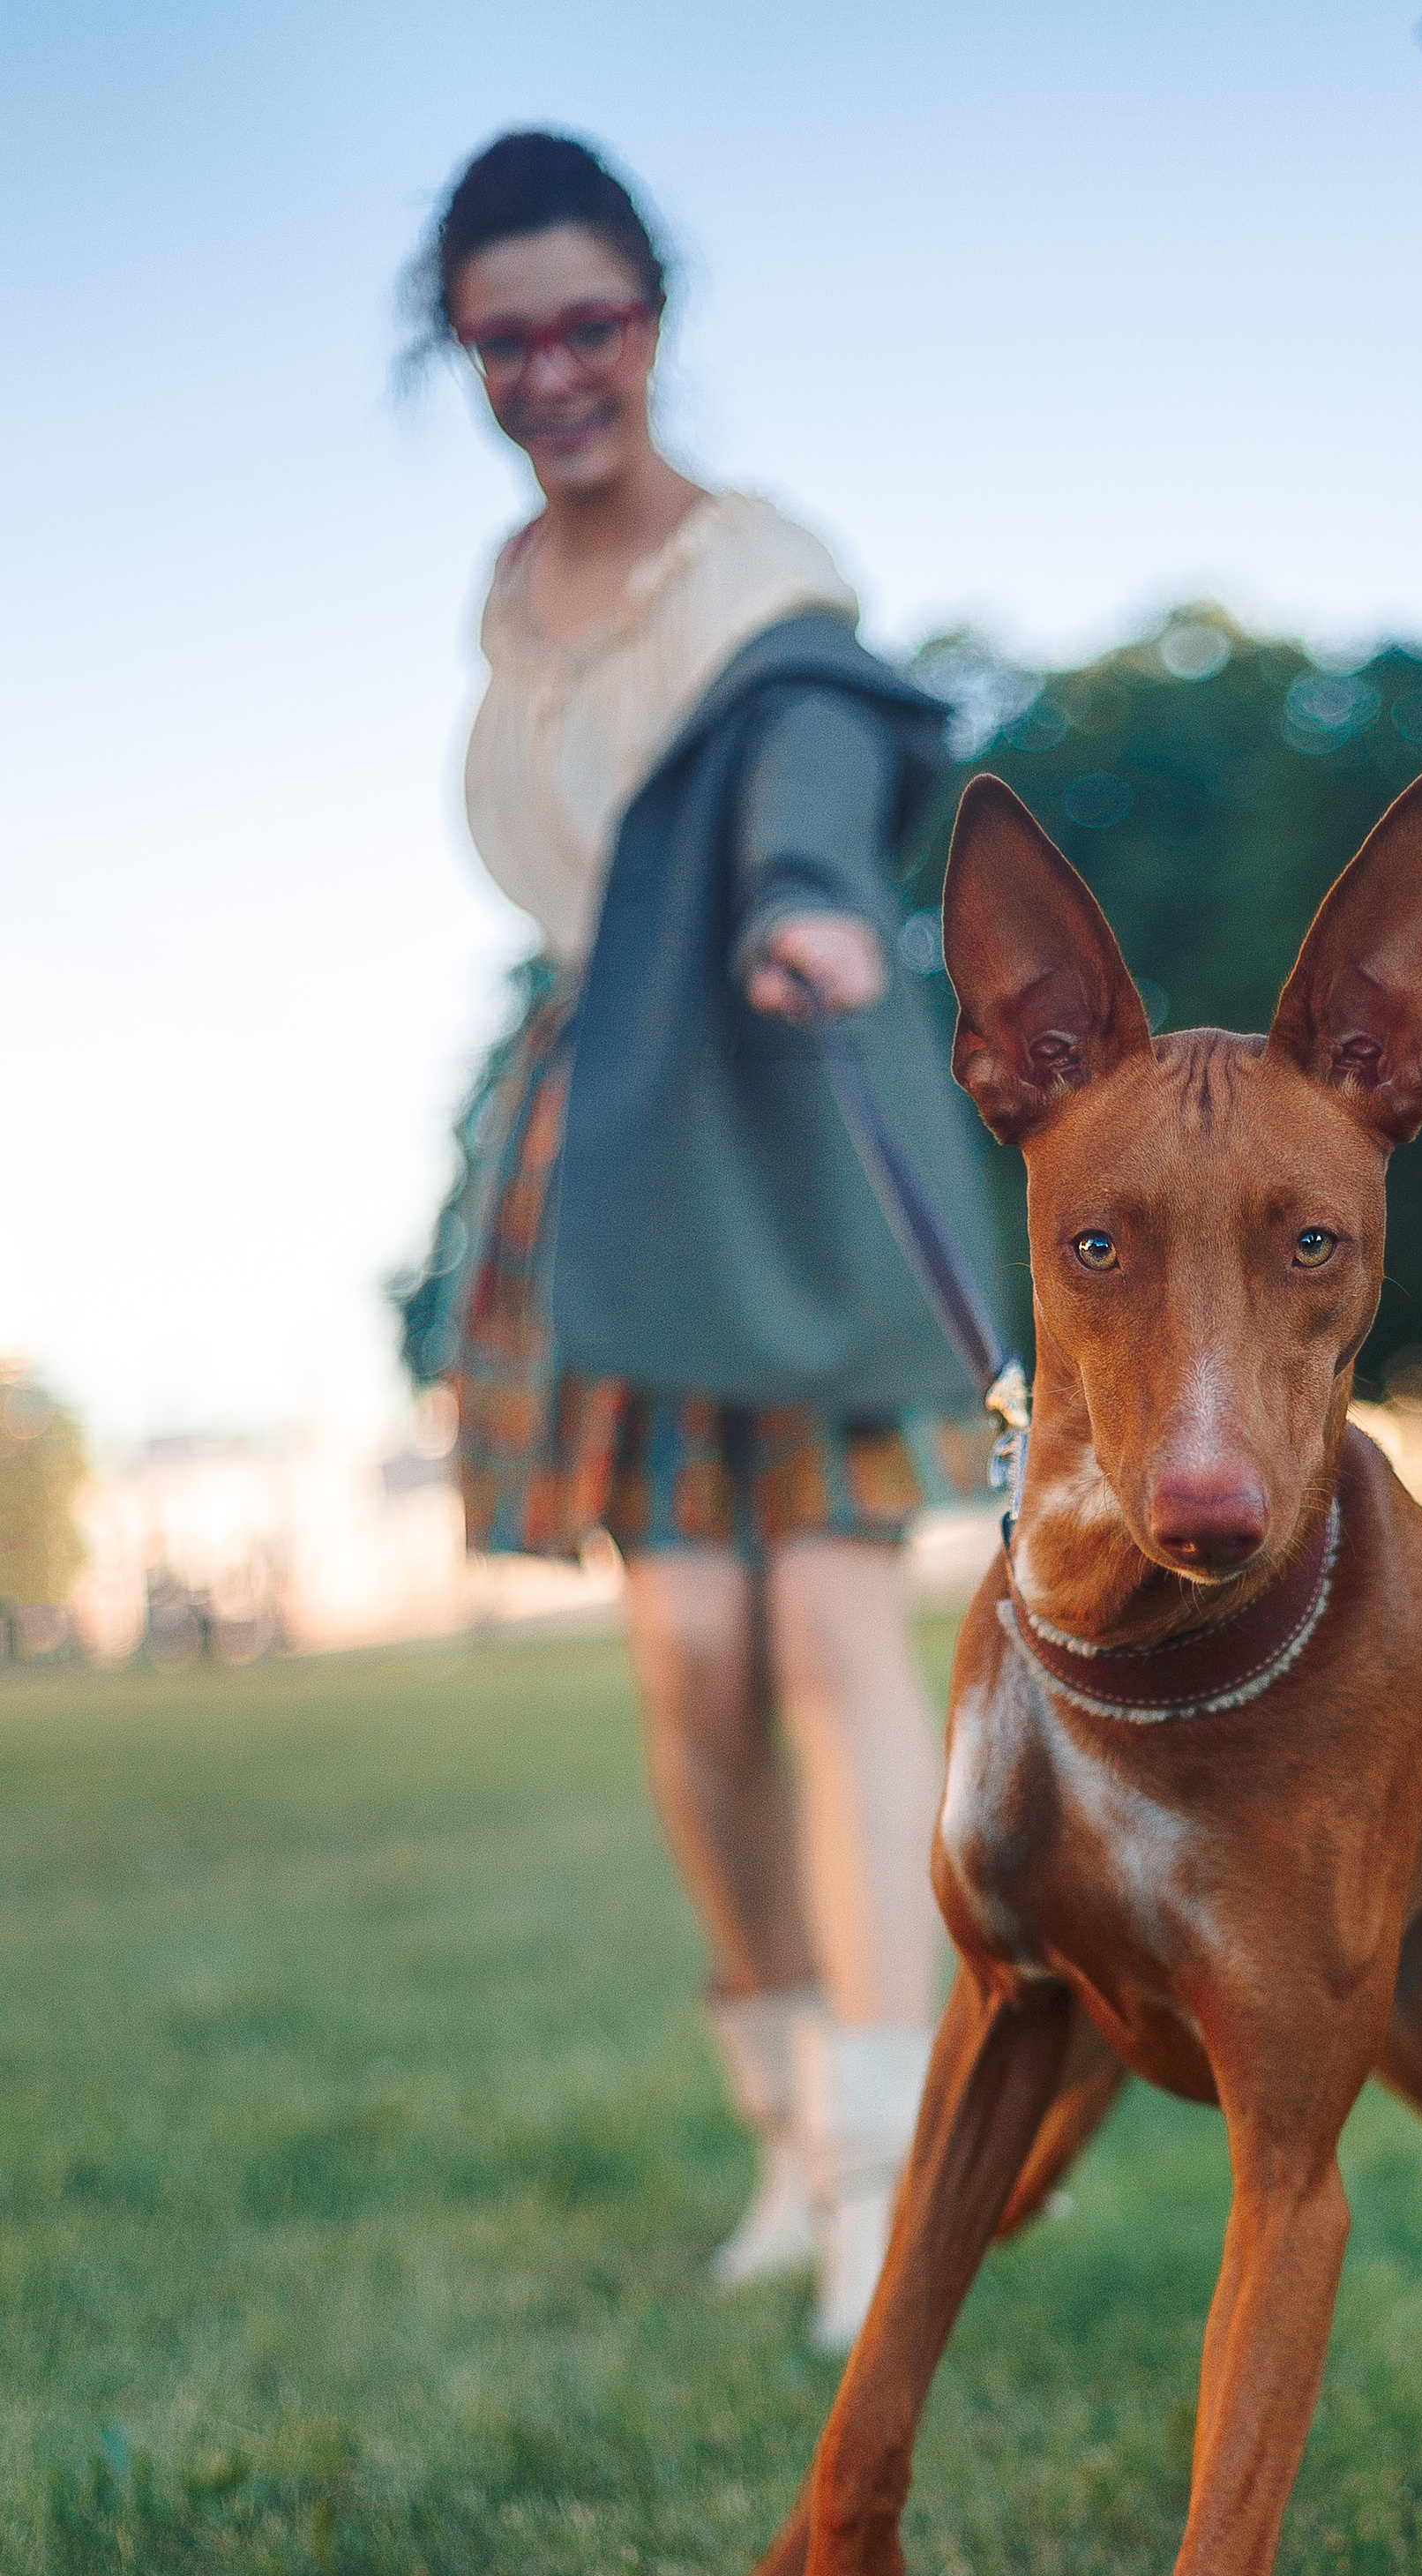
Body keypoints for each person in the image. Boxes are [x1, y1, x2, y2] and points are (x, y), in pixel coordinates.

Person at [397, 131, 1001, 2348]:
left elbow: (812, 770)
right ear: (462, 356)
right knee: (690, 1675)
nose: (555, 372)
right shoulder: (503, 603)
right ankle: (777, 2132)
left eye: (591, 324)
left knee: (834, 1653)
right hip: (609, 1140)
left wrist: (819, 905)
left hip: (785, 1109)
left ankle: (876, 2179)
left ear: (654, 318)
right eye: (504, 341)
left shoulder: (763, 577)